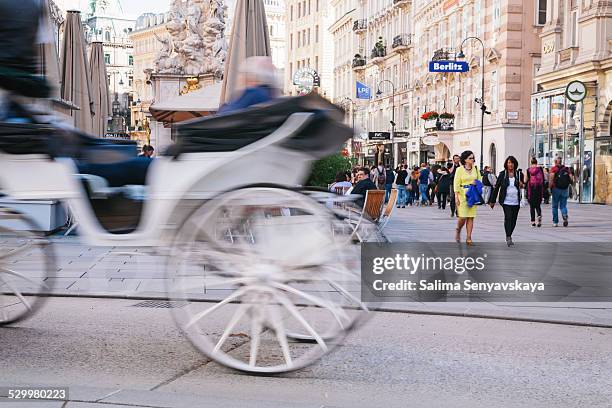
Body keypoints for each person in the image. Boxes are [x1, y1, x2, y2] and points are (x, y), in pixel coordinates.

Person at [489, 156, 525, 246]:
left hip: (516, 201)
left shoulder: (519, 174)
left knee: (514, 220)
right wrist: (492, 201)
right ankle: (508, 236)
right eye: (509, 163)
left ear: (515, 164)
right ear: (506, 164)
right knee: (508, 217)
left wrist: (522, 184)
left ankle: (510, 234)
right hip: (506, 201)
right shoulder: (502, 174)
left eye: (512, 163)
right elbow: (496, 188)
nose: (510, 164)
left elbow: (523, 186)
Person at [453, 150, 481, 245]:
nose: (472, 160)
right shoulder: (459, 170)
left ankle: (469, 237)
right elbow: (456, 184)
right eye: (470, 158)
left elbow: (480, 181)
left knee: (470, 217)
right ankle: (458, 229)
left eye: (473, 158)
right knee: (463, 217)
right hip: (462, 194)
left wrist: (476, 183)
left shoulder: (476, 169)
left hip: (472, 194)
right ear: (465, 160)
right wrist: (456, 197)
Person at [549, 156, 572, 227]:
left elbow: (551, 179)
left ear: (555, 161)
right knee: (563, 205)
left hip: (556, 189)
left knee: (555, 206)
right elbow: (571, 178)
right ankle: (564, 215)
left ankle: (555, 222)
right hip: (565, 189)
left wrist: (549, 188)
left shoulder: (554, 169)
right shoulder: (566, 169)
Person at [526, 158, 545, 227]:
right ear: (536, 163)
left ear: (531, 163)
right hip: (539, 190)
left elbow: (526, 180)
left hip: (531, 190)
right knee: (538, 206)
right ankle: (539, 216)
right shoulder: (540, 169)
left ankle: (533, 222)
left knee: (532, 207)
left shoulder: (528, 170)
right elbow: (543, 180)